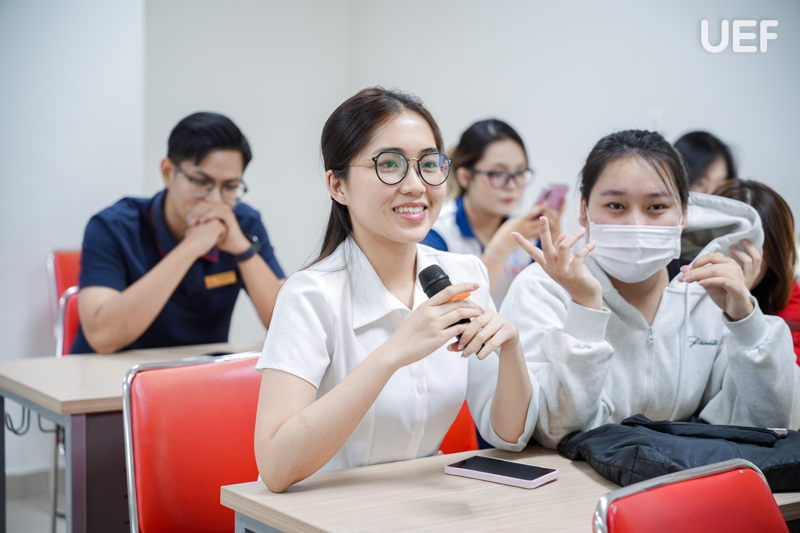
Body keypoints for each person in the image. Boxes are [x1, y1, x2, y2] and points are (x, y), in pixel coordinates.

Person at [254, 88, 535, 492]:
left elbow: (508, 435)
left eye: (429, 164)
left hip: (421, 505)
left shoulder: (464, 274)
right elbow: (276, 467)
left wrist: (511, 349)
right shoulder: (309, 294)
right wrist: (391, 355)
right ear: (338, 186)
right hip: (320, 510)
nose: (416, 185)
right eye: (390, 164)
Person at [501, 129, 799, 448]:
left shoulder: (707, 294)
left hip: (685, 473)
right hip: (572, 477)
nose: (636, 224)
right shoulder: (542, 289)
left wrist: (746, 323)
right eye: (616, 205)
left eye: (656, 207)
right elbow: (554, 430)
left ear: (684, 213)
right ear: (584, 211)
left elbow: (770, 421)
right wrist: (585, 309)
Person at [72, 112, 285, 354]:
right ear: (167, 172)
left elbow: (287, 324)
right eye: (201, 182)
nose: (216, 200)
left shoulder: (243, 222)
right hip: (109, 373)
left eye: (230, 187)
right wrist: (191, 247)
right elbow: (103, 337)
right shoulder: (112, 226)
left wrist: (242, 250)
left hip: (198, 372)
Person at [422, 119, 562, 304]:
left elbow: (541, 302)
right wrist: (501, 247)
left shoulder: (527, 233)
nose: (511, 185)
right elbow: (455, 310)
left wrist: (553, 250)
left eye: (520, 172)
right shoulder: (436, 232)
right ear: (465, 177)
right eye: (497, 174)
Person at [714, 179, 800, 365]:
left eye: (748, 249)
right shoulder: (681, 282)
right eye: (727, 245)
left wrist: (742, 309)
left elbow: (782, 379)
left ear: (774, 255)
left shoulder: (792, 305)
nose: (734, 261)